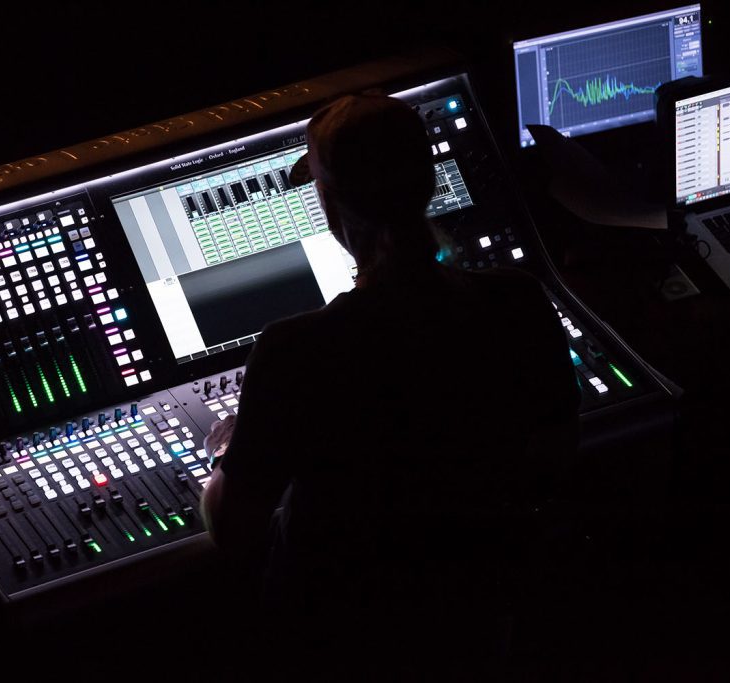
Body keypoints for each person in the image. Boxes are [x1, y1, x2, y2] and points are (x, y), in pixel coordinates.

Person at [199, 93, 581, 677]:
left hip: (338, 640)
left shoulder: (295, 350)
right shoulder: (519, 302)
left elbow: (232, 530)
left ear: (330, 205)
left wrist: (228, 453)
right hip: (479, 621)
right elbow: (555, 456)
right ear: (428, 183)